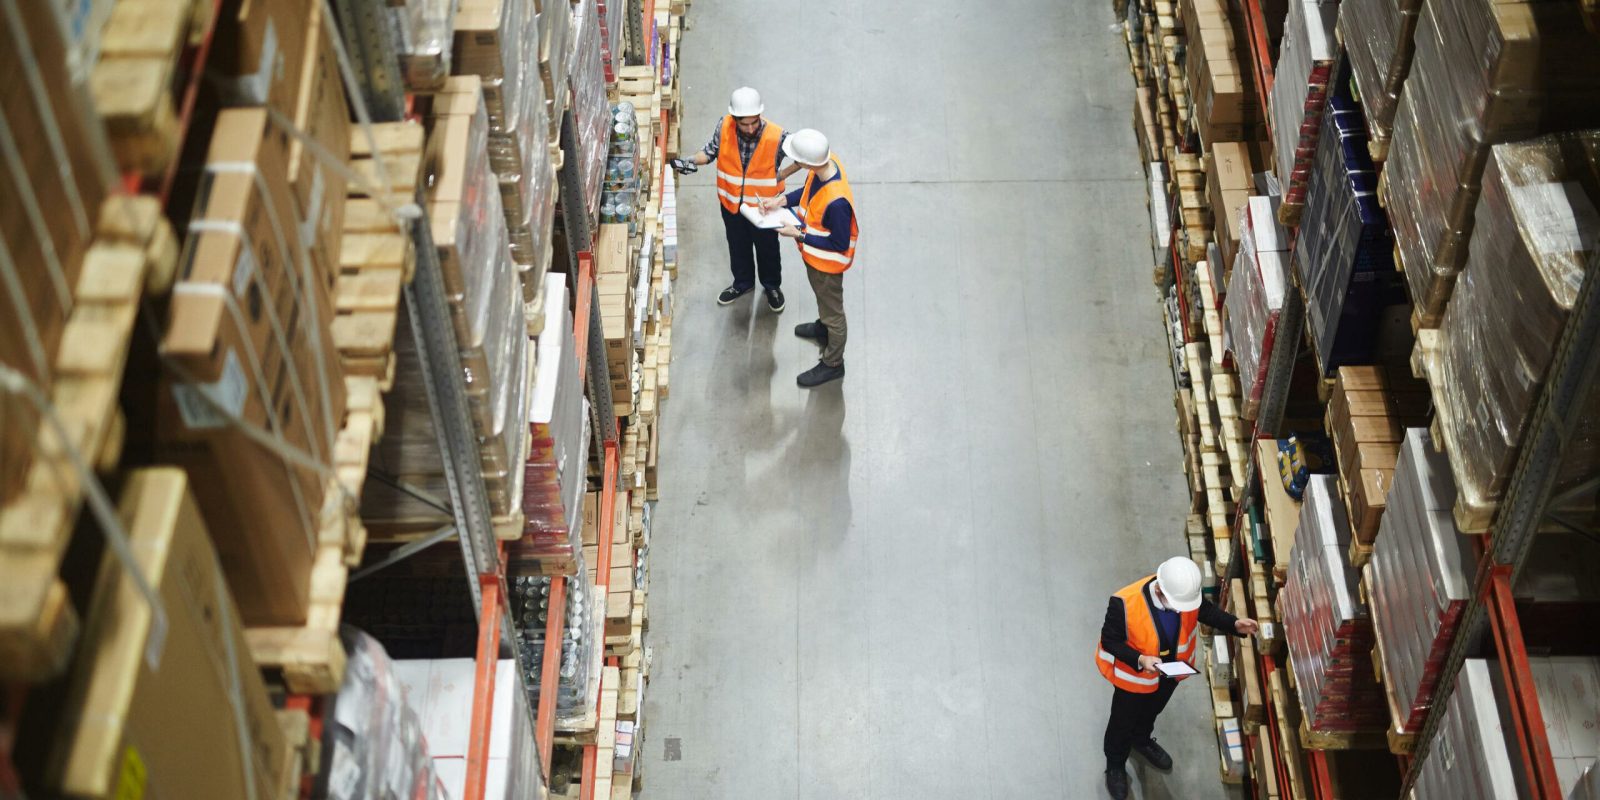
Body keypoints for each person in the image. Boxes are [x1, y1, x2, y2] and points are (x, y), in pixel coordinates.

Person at [1097, 557, 1259, 800]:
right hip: (1135, 680)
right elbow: (1110, 641)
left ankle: (1141, 740)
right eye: (1177, 606)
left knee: (1151, 712)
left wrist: (1234, 624)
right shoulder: (1124, 603)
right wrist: (1140, 660)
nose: (1182, 610)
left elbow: (1204, 610)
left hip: (1169, 674)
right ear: (1160, 589)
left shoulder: (1183, 594)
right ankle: (1115, 765)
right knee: (1122, 723)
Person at [670, 87, 800, 312]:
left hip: (763, 209)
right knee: (738, 247)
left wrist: (783, 174)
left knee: (767, 249)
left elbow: (804, 155)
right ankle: (743, 283)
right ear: (735, 118)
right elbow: (709, 152)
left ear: (760, 115)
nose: (749, 128)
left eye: (754, 122)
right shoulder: (725, 126)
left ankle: (771, 286)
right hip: (731, 205)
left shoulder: (777, 136)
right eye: (744, 124)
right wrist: (691, 160)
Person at [757, 129, 857, 388]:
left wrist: (799, 234)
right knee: (824, 303)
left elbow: (839, 243)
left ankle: (833, 363)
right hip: (815, 261)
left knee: (833, 312)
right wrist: (781, 200)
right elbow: (809, 191)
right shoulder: (827, 163)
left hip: (827, 266)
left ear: (810, 162)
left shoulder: (837, 204)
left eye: (797, 160)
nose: (794, 164)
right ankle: (823, 329)